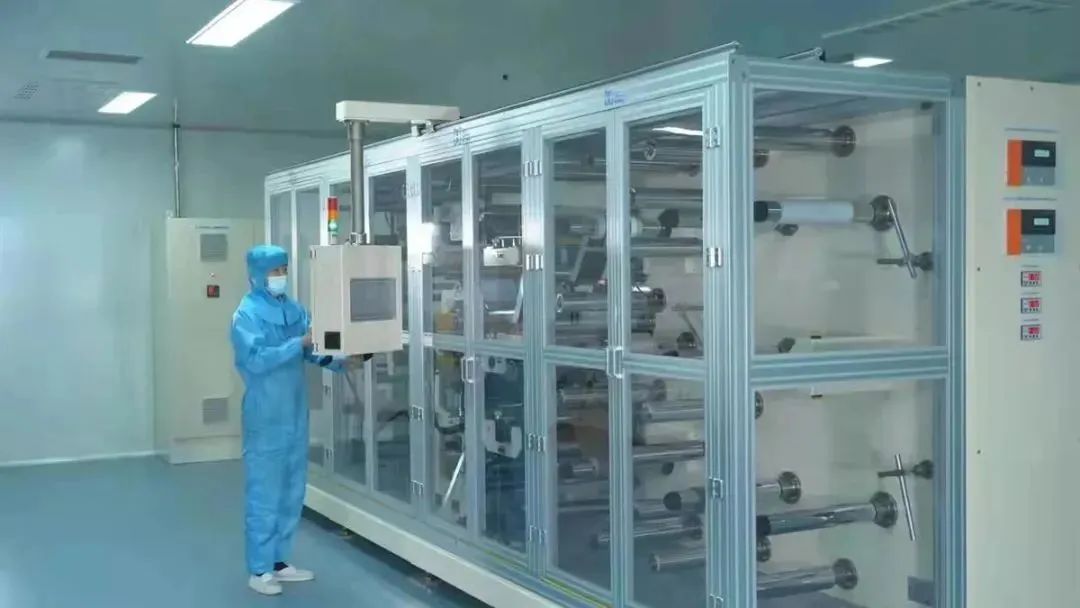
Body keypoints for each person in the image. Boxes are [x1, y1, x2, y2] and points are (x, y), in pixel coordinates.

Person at [230, 244, 364, 596]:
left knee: (291, 489)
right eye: (274, 271)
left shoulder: (294, 309)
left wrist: (341, 361)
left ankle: (278, 562)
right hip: (265, 414)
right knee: (264, 492)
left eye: (283, 269)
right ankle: (259, 569)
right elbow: (256, 359)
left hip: (294, 411)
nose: (280, 276)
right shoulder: (246, 314)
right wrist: (298, 343)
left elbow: (313, 349)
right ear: (257, 274)